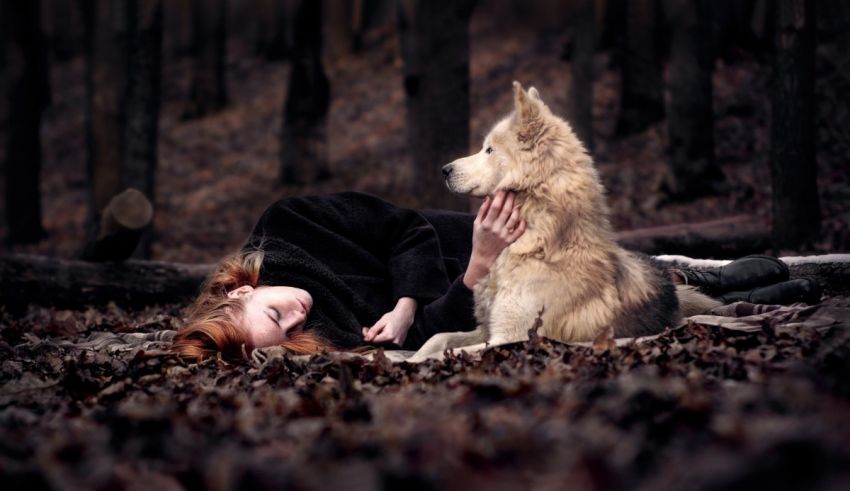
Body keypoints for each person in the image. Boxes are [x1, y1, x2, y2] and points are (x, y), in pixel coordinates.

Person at [171, 191, 821, 362]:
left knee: (619, 271)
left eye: (278, 312)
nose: (300, 316)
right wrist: (464, 282)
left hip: (464, 240)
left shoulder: (288, 222)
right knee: (624, 305)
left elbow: (402, 227)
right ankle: (751, 298)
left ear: (242, 289)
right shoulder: (318, 339)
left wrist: (402, 302)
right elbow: (431, 329)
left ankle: (738, 278)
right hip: (479, 281)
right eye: (286, 334)